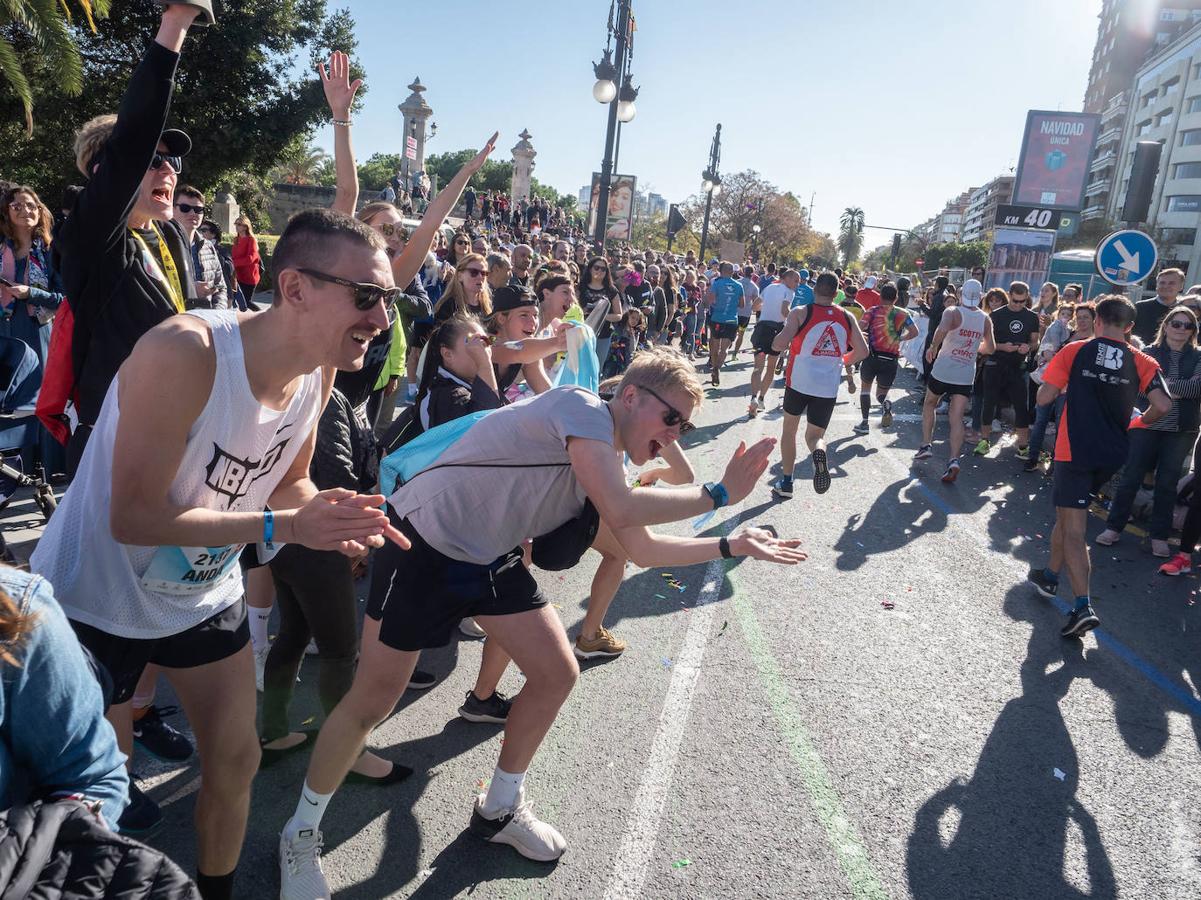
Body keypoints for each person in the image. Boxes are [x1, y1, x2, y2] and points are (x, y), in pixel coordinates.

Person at [278, 348, 806, 897]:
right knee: (372, 700)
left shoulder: (607, 466)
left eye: (686, 425)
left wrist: (729, 542)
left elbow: (641, 549)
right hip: (422, 546)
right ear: (630, 396)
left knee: (557, 672)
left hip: (486, 558)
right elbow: (624, 510)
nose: (675, 434)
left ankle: (500, 806)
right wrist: (718, 494)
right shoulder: (580, 408)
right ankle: (300, 831)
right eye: (671, 418)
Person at [31, 209, 404, 900]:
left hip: (201, 592)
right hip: (93, 598)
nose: (382, 318)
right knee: (95, 800)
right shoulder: (188, 351)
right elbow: (135, 516)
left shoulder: (317, 375)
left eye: (389, 300)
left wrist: (327, 512)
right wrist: (285, 526)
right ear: (293, 288)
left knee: (236, 762)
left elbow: (286, 479)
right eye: (367, 297)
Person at [59, 3, 202, 474]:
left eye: (173, 163)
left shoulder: (171, 238)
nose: (169, 170)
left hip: (178, 426)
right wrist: (175, 24)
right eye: (154, 159)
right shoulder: (92, 237)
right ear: (105, 173)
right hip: (112, 439)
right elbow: (130, 144)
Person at [1028, 296, 1171, 638]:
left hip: (1074, 449)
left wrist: (1065, 384)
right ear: (1130, 327)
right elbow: (1164, 405)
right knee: (1067, 514)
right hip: (1112, 453)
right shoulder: (1142, 359)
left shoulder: (1075, 350)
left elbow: (1043, 398)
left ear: (1097, 319)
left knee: (1075, 528)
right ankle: (1049, 576)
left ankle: (1082, 606)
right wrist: (1138, 422)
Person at [0, 566, 128, 828]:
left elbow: (89, 774)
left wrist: (46, 851)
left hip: (128, 603)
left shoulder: (18, 605)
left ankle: (143, 713)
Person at [1094, 305, 1201, 557]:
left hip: (1181, 429)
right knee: (1131, 477)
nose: (1181, 329)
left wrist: (1159, 386)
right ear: (1166, 325)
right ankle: (1114, 527)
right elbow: (1136, 387)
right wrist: (1173, 389)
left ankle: (1159, 535)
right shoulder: (1147, 353)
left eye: (1188, 325)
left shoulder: (1198, 356)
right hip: (1146, 423)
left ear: (1194, 331)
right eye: (1177, 323)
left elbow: (1198, 389)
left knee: (1167, 483)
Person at [770, 272, 869, 496]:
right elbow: (862, 351)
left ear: (814, 290)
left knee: (789, 431)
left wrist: (777, 340)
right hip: (827, 386)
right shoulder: (846, 316)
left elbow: (778, 345)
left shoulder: (800, 312)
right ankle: (819, 452)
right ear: (836, 293)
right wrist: (841, 361)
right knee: (814, 436)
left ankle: (786, 483)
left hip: (798, 381)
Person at [0, 184, 66, 479]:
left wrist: (32, 294)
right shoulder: (1, 251)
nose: (25, 211)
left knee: (43, 402)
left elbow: (66, 300)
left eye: (31, 206)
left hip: (40, 333)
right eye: (17, 206)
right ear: (6, 212)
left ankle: (49, 470)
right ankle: (14, 469)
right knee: (10, 402)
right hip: (6, 332)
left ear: (40, 212)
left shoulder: (51, 251)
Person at [916, 281, 995, 482]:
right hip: (965, 373)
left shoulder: (952, 311)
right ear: (980, 296)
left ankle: (926, 445)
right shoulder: (985, 319)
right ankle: (953, 460)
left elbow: (941, 331)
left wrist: (933, 347)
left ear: (961, 295)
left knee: (930, 403)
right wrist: (973, 348)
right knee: (956, 416)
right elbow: (991, 348)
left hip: (944, 369)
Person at [974, 281, 1041, 457]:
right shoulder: (996, 315)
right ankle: (984, 440)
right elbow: (985, 342)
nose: (1019, 305)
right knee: (989, 402)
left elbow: (1036, 341)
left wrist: (1028, 346)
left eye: (1022, 301)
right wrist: (1003, 347)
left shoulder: (1032, 317)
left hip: (1018, 366)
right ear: (1009, 295)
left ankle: (1023, 445)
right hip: (996, 363)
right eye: (1016, 301)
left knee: (1021, 406)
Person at [853, 283, 918, 435]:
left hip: (872, 357)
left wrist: (864, 338)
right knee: (881, 393)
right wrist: (899, 339)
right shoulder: (903, 313)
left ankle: (864, 423)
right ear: (896, 298)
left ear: (880, 296)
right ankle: (885, 404)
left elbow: (859, 328)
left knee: (865, 389)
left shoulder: (872, 311)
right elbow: (915, 332)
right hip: (891, 359)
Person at [748, 267, 796, 415]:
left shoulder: (769, 287)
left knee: (758, 368)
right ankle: (761, 399)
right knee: (771, 368)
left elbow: (755, 305)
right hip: (776, 332)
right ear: (786, 279)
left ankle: (754, 398)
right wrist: (794, 321)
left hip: (762, 330)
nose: (797, 283)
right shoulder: (789, 292)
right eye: (795, 280)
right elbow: (784, 310)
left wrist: (767, 307)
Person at [173, 186, 226, 309]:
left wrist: (216, 314)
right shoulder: (160, 244)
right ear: (172, 209)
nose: (193, 214)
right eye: (185, 208)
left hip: (206, 321)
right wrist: (190, 290)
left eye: (198, 209)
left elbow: (220, 287)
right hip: (176, 321)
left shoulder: (208, 246)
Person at [703, 261, 744, 385]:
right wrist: (731, 304)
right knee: (725, 349)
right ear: (733, 272)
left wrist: (718, 303)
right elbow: (742, 305)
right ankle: (717, 369)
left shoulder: (717, 283)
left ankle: (714, 367)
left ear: (721, 271)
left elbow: (710, 300)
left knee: (715, 347)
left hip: (717, 318)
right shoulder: (738, 285)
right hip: (732, 320)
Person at [579, 255, 621, 365]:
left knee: (597, 366)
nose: (600, 271)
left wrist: (602, 315)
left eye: (603, 269)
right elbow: (572, 309)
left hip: (603, 335)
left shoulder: (611, 290)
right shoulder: (580, 287)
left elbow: (619, 314)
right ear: (590, 268)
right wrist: (584, 311)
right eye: (596, 267)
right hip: (581, 333)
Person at [1132, 267, 1185, 344]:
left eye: (1171, 283)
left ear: (1181, 287)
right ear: (1157, 285)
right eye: (1162, 283)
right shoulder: (1140, 307)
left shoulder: (1184, 311)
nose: (1166, 286)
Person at [434, 254, 492, 322]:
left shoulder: (487, 306)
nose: (480, 277)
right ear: (459, 276)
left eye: (483, 273)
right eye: (474, 272)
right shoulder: (449, 306)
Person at [231, 217, 260, 311]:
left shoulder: (251, 240)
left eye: (239, 224)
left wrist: (234, 263)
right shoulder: (236, 239)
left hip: (249, 276)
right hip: (238, 275)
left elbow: (251, 258)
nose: (236, 226)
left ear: (245, 227)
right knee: (236, 300)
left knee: (246, 302)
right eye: (236, 224)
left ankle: (263, 315)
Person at [732, 264, 760, 357]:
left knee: (732, 332)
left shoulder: (736, 282)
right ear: (753, 274)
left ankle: (728, 344)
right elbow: (756, 301)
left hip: (734, 311)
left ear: (743, 272)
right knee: (741, 334)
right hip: (746, 313)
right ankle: (734, 354)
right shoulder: (754, 287)